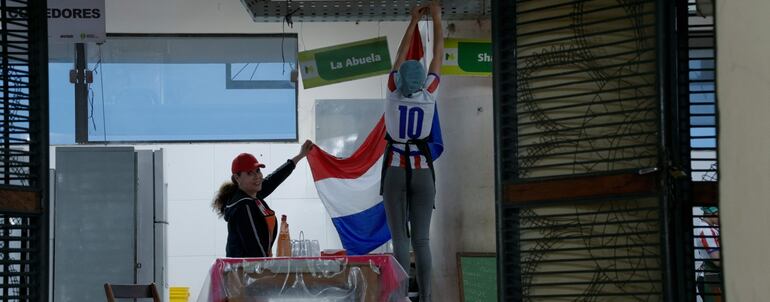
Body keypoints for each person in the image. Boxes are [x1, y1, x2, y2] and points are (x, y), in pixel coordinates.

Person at [381, 3, 442, 302]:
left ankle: (401, 297)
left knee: (399, 239)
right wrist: (437, 18)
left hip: (395, 169)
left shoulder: (393, 90)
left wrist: (412, 21)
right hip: (422, 172)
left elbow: (399, 56)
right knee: (422, 239)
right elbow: (438, 56)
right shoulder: (429, 94)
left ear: (401, 79)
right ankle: (427, 298)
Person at [212, 140, 313, 257]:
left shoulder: (253, 196)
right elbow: (255, 251)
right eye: (250, 173)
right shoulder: (244, 206)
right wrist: (270, 270)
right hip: (245, 272)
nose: (257, 177)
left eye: (258, 171)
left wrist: (300, 156)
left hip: (256, 269)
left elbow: (274, 179)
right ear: (237, 177)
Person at [694, 206, 721, 302]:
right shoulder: (706, 230)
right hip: (710, 278)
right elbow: (718, 261)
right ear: (711, 213)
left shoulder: (709, 228)